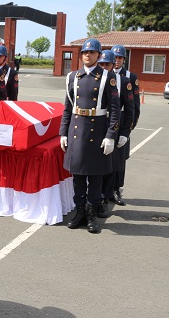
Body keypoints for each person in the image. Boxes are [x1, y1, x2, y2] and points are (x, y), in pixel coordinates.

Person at [59, 38, 120, 234]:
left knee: (95, 177)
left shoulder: (106, 77)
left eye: (92, 53)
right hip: (76, 130)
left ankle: (92, 215)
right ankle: (79, 213)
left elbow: (115, 109)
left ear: (98, 55)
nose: (88, 55)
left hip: (97, 130)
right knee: (77, 177)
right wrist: (63, 132)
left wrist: (111, 135)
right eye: (85, 52)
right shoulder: (73, 77)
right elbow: (67, 108)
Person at [96, 50, 134, 218]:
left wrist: (125, 132)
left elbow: (130, 109)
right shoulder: (93, 79)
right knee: (95, 167)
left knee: (110, 167)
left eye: (107, 64)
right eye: (101, 64)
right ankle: (94, 199)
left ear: (113, 65)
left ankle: (104, 200)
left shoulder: (124, 81)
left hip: (114, 128)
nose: (104, 67)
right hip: (96, 128)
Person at [111, 44, 141, 206]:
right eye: (115, 57)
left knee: (120, 159)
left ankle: (116, 189)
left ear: (124, 59)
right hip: (107, 119)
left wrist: (129, 128)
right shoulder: (105, 72)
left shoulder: (130, 76)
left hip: (123, 120)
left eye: (120, 58)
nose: (117, 61)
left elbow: (135, 106)